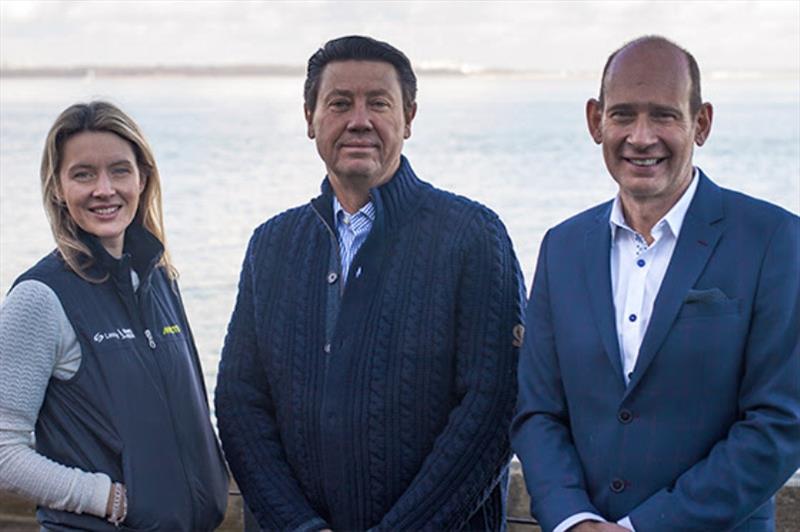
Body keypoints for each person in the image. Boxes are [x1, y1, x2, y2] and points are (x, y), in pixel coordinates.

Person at [215, 35, 525, 531]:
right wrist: (298, 525)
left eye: (378, 104)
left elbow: (492, 410)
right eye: (339, 104)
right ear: (309, 117)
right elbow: (239, 403)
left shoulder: (473, 236)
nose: (359, 120)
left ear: (409, 117)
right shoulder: (271, 244)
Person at [511, 35, 800, 532]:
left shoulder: (775, 239)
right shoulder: (562, 247)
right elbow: (537, 412)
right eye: (622, 115)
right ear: (595, 121)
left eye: (664, 116)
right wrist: (574, 520)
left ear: (701, 123)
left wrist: (642, 528)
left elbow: (781, 421)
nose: (641, 137)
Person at [0, 101, 229, 531]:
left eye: (119, 170)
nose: (104, 189)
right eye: (83, 174)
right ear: (57, 188)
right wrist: (106, 498)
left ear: (143, 178)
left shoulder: (160, 279)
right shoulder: (40, 297)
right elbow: (3, 452)